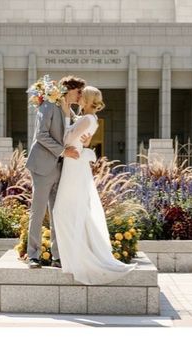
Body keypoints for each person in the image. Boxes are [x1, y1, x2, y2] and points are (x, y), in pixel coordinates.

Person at [52, 86, 137, 284]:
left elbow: (66, 139)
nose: (79, 97)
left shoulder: (86, 119)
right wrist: (68, 116)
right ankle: (76, 256)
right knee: (73, 210)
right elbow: (81, 138)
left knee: (63, 210)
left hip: (73, 165)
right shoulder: (92, 119)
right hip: (74, 165)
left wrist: (65, 125)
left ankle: (79, 257)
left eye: (82, 96)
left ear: (88, 99)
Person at [25, 75, 86, 269]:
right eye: (78, 92)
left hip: (62, 169)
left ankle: (57, 256)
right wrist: (63, 151)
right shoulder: (49, 105)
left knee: (57, 213)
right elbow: (40, 135)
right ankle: (33, 255)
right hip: (43, 166)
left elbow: (71, 136)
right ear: (68, 89)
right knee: (38, 210)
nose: (80, 96)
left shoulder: (74, 114)